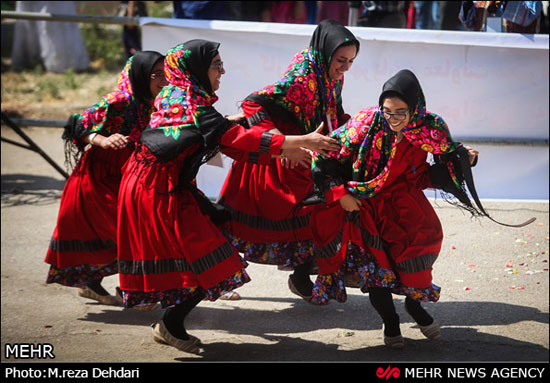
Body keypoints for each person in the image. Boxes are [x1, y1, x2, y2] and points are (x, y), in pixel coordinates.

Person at [116, 40, 336, 353]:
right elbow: (231, 139)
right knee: (213, 260)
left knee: (213, 253)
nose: (222, 71)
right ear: (196, 69)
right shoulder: (189, 102)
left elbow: (225, 140)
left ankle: (170, 323)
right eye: (216, 65)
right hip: (155, 188)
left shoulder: (180, 94)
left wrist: (286, 149)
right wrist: (301, 140)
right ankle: (170, 324)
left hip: (159, 184)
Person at [308, 69, 479, 349]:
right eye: (387, 111)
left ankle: (415, 308)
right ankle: (390, 323)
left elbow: (444, 159)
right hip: (365, 206)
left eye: (401, 112)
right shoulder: (365, 124)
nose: (393, 119)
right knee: (376, 271)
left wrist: (465, 160)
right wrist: (340, 195)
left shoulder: (430, 128)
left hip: (406, 206)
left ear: (416, 107)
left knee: (418, 255)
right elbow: (324, 153)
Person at [219, 19, 359, 303]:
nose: (345, 68)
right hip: (282, 160)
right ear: (325, 52)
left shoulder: (332, 76)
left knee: (323, 214)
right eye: (341, 60)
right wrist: (279, 143)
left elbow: (333, 111)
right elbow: (253, 102)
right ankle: (214, 278)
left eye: (351, 61)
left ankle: (302, 275)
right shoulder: (303, 76)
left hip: (308, 156)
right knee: (243, 226)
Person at [45, 51, 167, 305]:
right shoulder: (117, 101)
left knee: (134, 232)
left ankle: (98, 284)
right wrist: (103, 139)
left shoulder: (158, 101)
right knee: (126, 232)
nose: (163, 80)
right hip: (99, 179)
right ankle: (132, 289)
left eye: (165, 73)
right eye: (156, 74)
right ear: (140, 75)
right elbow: (76, 126)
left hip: (130, 174)